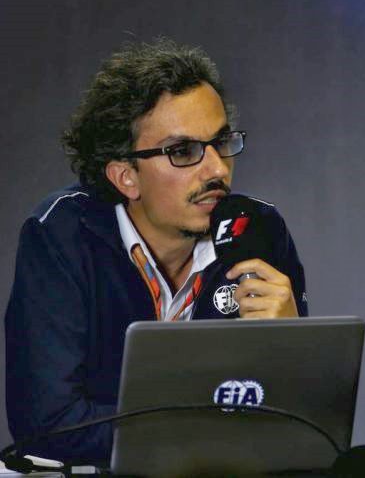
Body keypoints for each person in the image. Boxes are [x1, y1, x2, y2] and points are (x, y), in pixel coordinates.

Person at [5, 39, 307, 462]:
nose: (218, 168)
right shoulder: (61, 237)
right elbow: (48, 425)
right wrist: (209, 436)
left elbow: (304, 427)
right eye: (184, 151)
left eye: (221, 142)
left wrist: (293, 347)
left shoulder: (258, 230)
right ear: (126, 176)